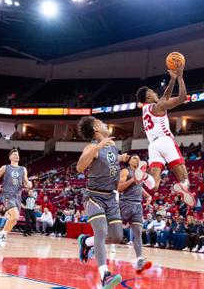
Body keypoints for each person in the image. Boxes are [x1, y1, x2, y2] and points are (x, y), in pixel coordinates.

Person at [75, 116, 129, 288]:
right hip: (94, 196)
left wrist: (122, 158)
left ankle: (86, 242)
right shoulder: (92, 146)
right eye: (103, 123)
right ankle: (105, 275)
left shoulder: (112, 145)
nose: (106, 124)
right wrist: (97, 147)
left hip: (111, 198)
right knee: (101, 231)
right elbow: (80, 167)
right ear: (97, 128)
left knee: (117, 236)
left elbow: (111, 160)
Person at [135, 63, 196, 207]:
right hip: (165, 141)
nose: (153, 91)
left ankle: (144, 176)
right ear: (148, 95)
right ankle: (182, 186)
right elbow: (181, 98)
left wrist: (172, 80)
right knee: (184, 178)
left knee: (154, 185)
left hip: (153, 146)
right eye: (151, 90)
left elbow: (164, 97)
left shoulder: (146, 109)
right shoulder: (158, 106)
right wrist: (180, 78)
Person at [117, 154, 153, 273]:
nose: (137, 159)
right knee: (113, 234)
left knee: (137, 234)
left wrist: (148, 195)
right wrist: (133, 179)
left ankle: (139, 260)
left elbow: (139, 187)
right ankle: (91, 244)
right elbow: (119, 187)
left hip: (137, 206)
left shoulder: (140, 173)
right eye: (134, 158)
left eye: (138, 158)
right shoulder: (125, 171)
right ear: (129, 161)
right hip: (125, 204)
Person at [0, 149, 32, 249]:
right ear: (10, 157)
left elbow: (26, 181)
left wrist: (29, 184)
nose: (17, 156)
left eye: (18, 155)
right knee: (15, 216)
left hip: (17, 197)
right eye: (14, 155)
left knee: (14, 220)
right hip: (7, 195)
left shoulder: (23, 169)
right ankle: (1, 236)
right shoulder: (5, 167)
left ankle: (2, 235)